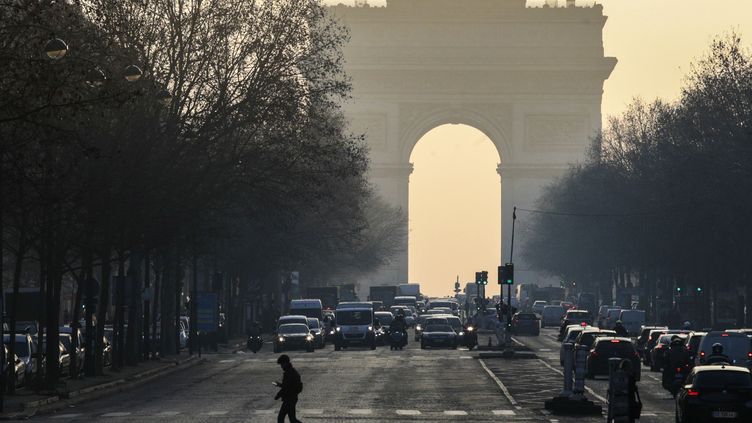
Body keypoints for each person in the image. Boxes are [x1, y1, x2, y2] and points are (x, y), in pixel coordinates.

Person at [274, 355, 303, 423]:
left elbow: (286, 388)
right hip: (292, 398)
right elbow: (288, 386)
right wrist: (280, 385)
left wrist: (278, 395)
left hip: (289, 399)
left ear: (285, 363)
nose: (281, 366)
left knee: (281, 418)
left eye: (281, 364)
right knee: (292, 419)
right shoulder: (292, 371)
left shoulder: (289, 373)